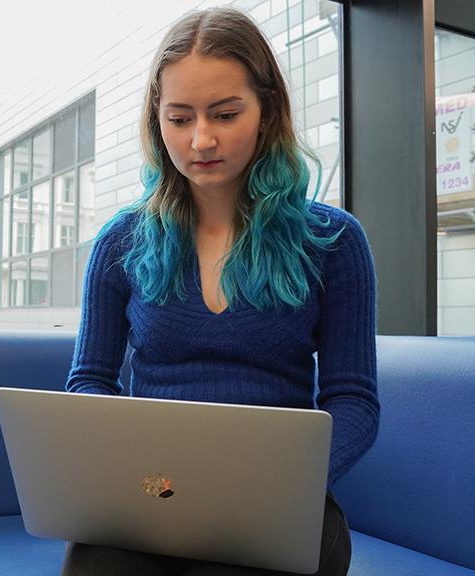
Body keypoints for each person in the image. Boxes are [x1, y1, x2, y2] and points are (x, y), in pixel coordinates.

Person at [63, 6, 379, 576]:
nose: (201, 139)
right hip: (153, 495)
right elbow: (89, 379)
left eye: (225, 114)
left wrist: (288, 482)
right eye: (179, 118)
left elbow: (353, 399)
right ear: (156, 120)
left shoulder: (333, 241)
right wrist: (125, 473)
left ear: (267, 112)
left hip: (281, 500)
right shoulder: (120, 242)